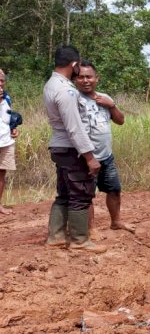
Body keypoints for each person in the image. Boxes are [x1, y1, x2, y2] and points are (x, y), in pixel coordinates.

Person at [44, 45, 105, 253]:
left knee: (63, 193)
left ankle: (56, 236)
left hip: (59, 147)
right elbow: (74, 127)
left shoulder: (51, 84)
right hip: (71, 150)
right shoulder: (67, 91)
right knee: (80, 193)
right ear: (74, 65)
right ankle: (80, 240)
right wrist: (89, 157)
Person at [74, 60, 134, 234]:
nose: (85, 80)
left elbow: (121, 121)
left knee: (114, 190)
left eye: (89, 77)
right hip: (86, 158)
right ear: (75, 80)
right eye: (81, 77)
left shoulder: (105, 97)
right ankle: (91, 230)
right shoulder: (74, 100)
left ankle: (116, 222)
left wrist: (111, 105)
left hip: (106, 156)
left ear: (96, 78)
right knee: (87, 195)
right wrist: (88, 157)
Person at [0, 69, 20, 215]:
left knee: (1, 174)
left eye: (2, 81)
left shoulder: (6, 98)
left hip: (5, 142)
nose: (0, 84)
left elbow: (7, 118)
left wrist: (13, 128)